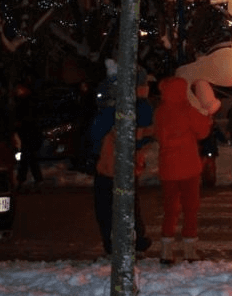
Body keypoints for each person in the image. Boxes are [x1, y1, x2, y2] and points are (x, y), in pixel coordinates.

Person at [89, 66, 154, 256]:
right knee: (130, 207)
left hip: (109, 167)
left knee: (108, 209)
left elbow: (96, 132)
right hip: (127, 166)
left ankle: (116, 246)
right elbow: (146, 135)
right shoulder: (142, 107)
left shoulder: (112, 109)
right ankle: (136, 242)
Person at [155, 76, 214, 265]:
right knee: (190, 208)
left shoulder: (160, 112)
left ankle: (166, 250)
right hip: (188, 167)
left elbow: (157, 134)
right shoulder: (186, 110)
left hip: (168, 168)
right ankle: (189, 250)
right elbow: (202, 132)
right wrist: (207, 118)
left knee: (170, 209)